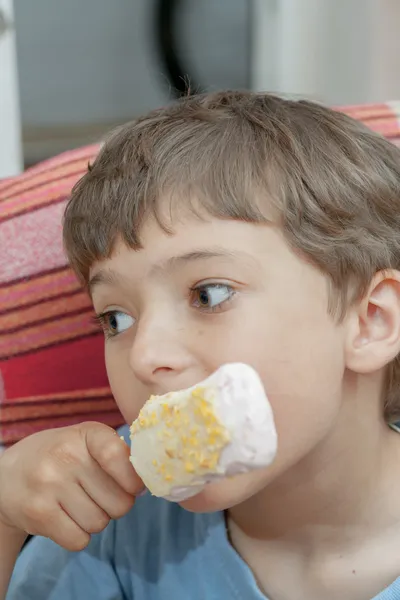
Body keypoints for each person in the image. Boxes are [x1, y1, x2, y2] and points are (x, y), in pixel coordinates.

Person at [1, 90, 400, 600]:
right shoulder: (112, 533)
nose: (145, 356)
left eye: (208, 295)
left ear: (371, 320)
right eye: (115, 318)